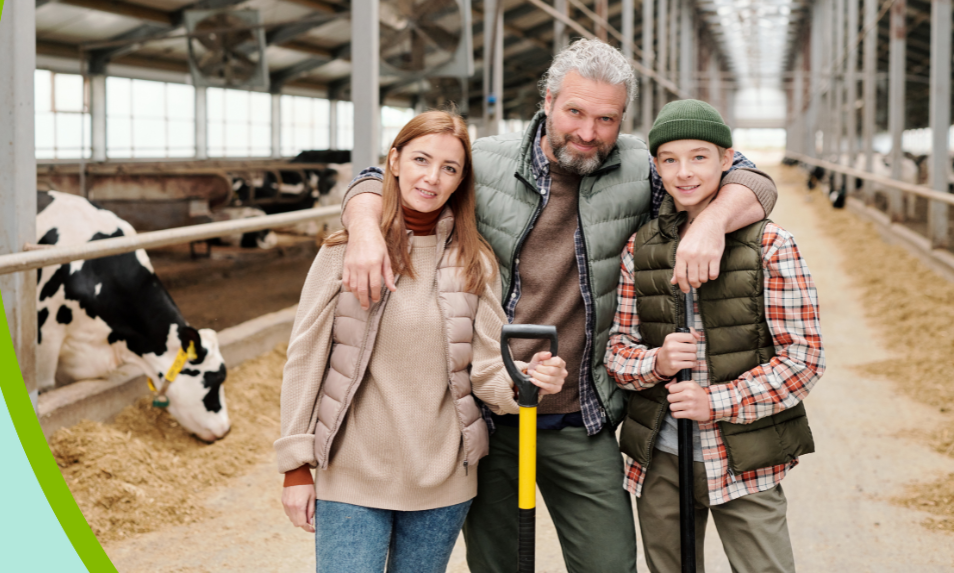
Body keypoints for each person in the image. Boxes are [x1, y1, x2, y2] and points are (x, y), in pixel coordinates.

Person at [335, 39, 779, 573]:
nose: (588, 132)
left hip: (581, 416)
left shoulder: (643, 166)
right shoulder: (486, 164)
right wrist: (363, 227)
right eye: (574, 111)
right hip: (489, 413)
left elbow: (753, 178)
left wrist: (709, 223)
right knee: (497, 564)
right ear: (547, 101)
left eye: (606, 118)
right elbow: (383, 176)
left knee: (609, 562)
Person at [276, 110, 568, 573]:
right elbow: (305, 358)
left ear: (459, 182)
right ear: (393, 161)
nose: (432, 178)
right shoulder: (344, 251)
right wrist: (295, 465)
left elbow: (488, 368)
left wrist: (525, 382)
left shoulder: (476, 263)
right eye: (420, 159)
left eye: (449, 168)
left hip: (443, 480)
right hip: (353, 473)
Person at [606, 99, 823, 573]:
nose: (684, 172)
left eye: (699, 156)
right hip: (659, 454)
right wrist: (656, 363)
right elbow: (617, 351)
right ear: (656, 165)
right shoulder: (639, 249)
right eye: (669, 159)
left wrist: (715, 402)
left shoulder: (772, 245)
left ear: (728, 160)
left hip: (744, 457)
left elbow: (804, 360)